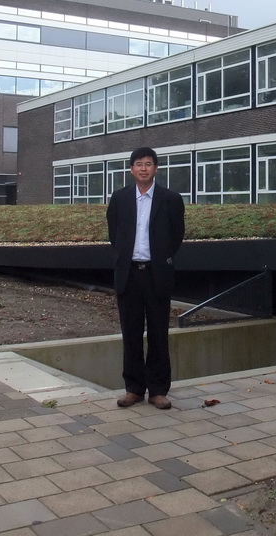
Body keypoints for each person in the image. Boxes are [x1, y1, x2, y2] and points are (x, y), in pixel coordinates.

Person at [106, 147, 186, 409]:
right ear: (131, 169)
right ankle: (134, 389)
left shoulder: (171, 199)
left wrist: (161, 258)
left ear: (156, 168)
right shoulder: (119, 199)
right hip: (129, 274)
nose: (143, 168)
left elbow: (176, 236)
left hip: (156, 274)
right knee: (130, 333)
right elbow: (114, 235)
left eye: (148, 164)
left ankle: (159, 391)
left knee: (158, 333)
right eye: (138, 164)